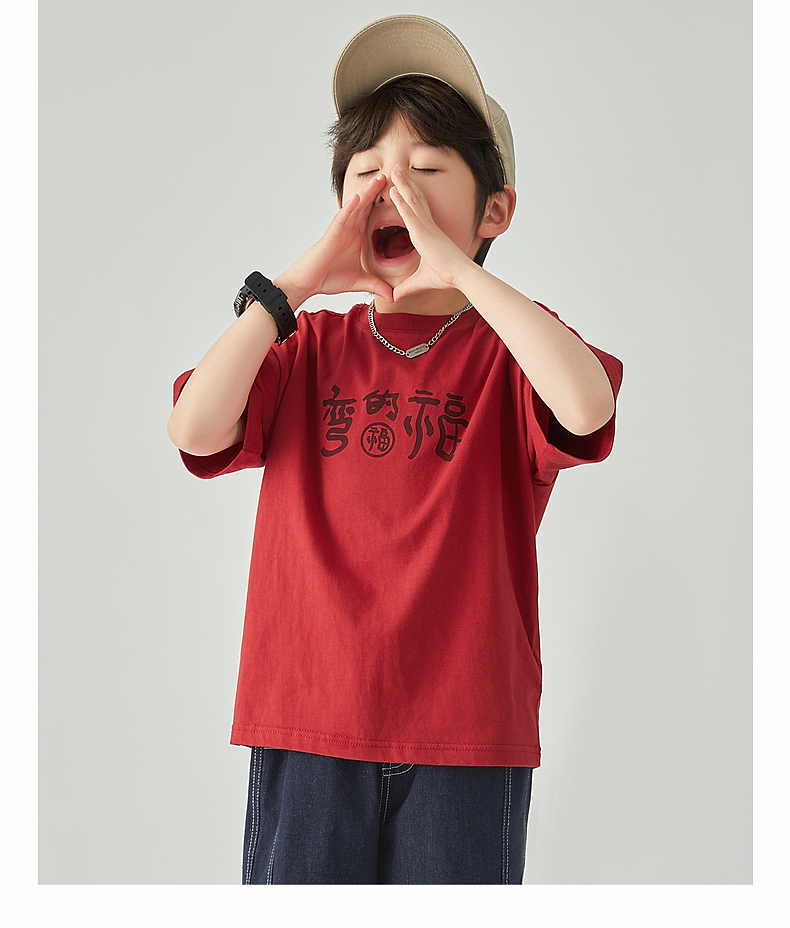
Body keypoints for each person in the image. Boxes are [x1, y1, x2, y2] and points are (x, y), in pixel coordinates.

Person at [168, 14, 622, 885]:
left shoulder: (512, 353)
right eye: (367, 173)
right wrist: (294, 286)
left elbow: (585, 402)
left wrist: (463, 271)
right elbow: (194, 427)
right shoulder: (305, 348)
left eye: (425, 172)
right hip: (308, 719)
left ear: (495, 210)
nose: (392, 190)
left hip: (467, 732)